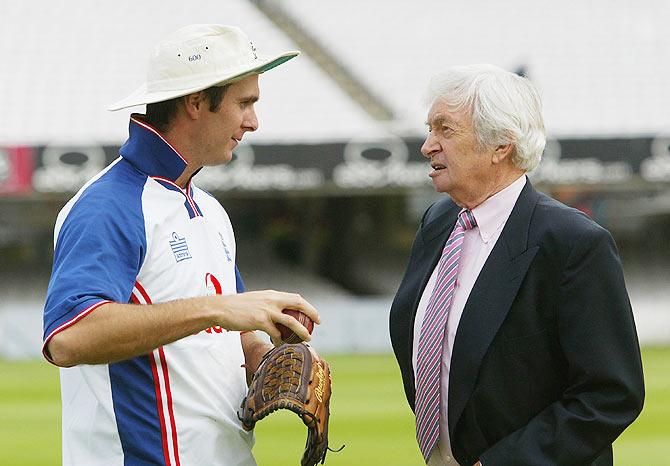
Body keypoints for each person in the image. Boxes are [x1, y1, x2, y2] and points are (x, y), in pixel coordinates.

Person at [42, 24, 320, 466]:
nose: (253, 122)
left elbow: (234, 327)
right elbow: (69, 338)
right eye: (244, 103)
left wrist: (262, 356)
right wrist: (214, 309)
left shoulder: (210, 209)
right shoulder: (107, 206)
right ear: (195, 102)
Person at [389, 64, 644, 466]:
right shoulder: (437, 222)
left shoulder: (573, 244)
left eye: (445, 130)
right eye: (429, 128)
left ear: (501, 145)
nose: (427, 145)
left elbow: (610, 394)